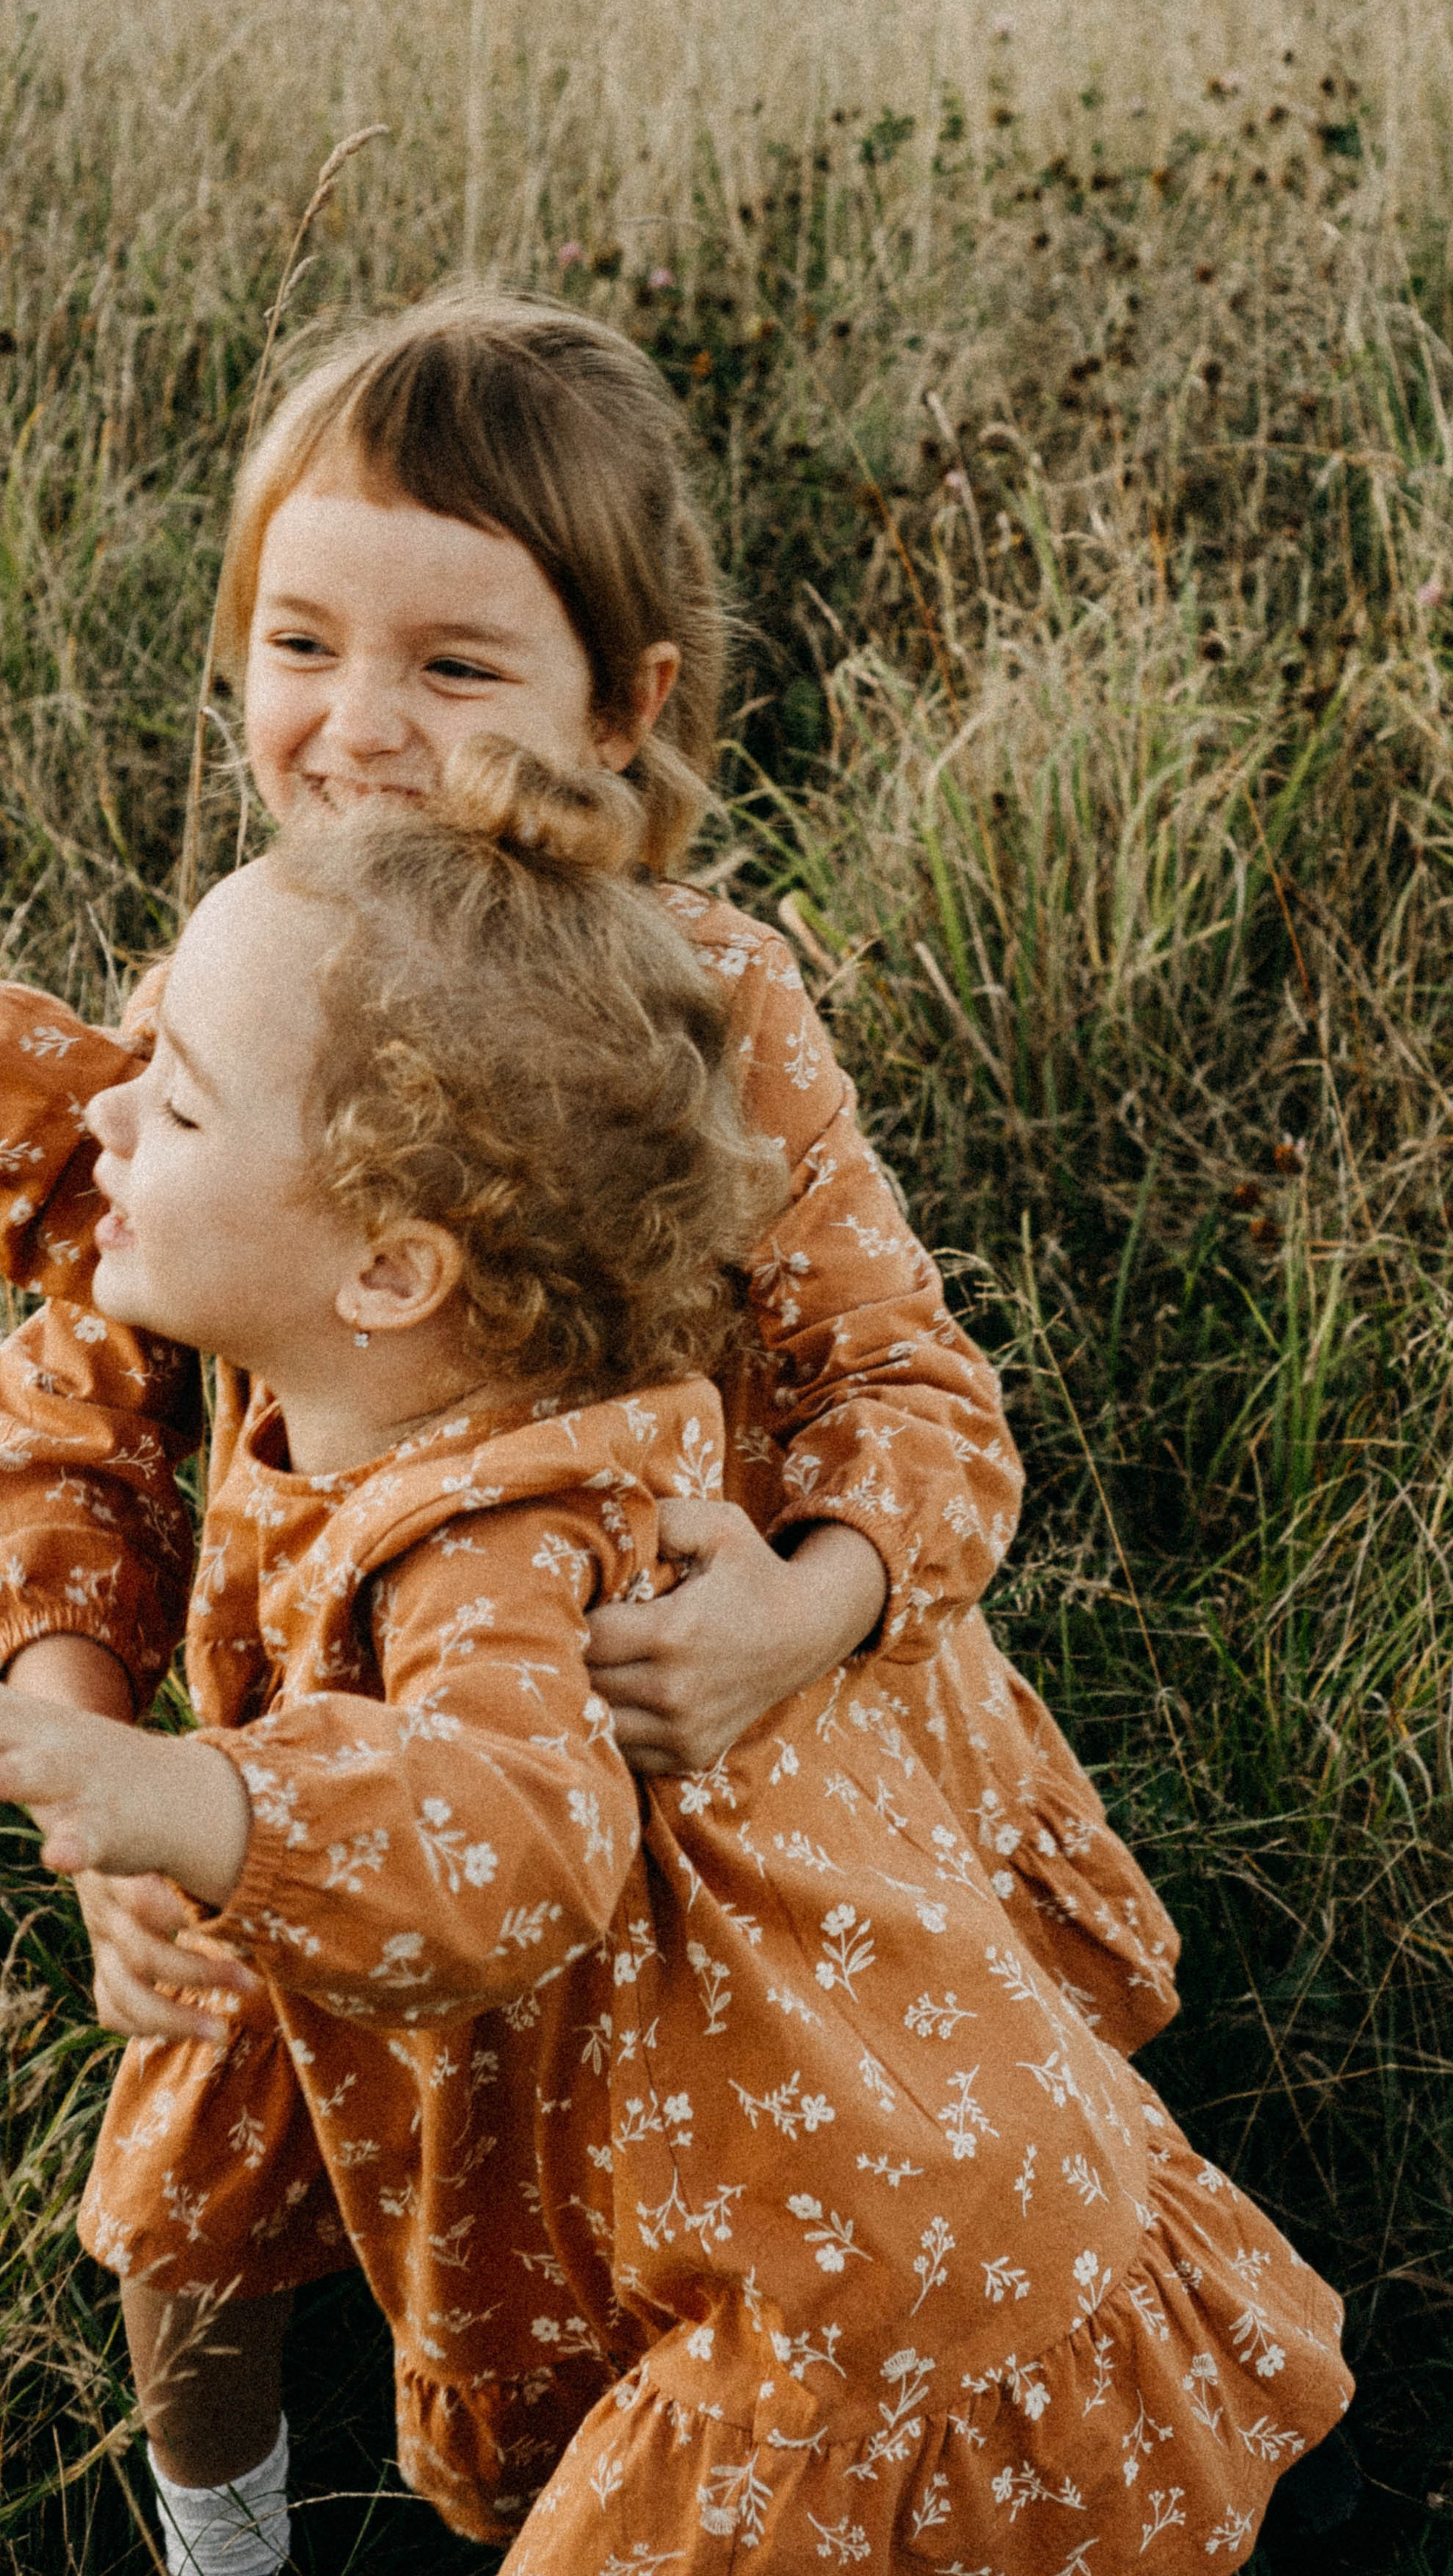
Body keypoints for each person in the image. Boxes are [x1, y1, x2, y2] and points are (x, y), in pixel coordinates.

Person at [0, 285, 1186, 2560]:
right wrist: (107, 1783)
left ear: (623, 704)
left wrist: (814, 1606)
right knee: (193, 2200)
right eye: (298, 644)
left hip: (694, 1778)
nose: (353, 733)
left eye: (453, 670)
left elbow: (911, 1386)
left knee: (688, 2233)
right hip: (316, 1755)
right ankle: (220, 2527)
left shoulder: (717, 1003)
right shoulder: (240, 987)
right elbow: (77, 1411)